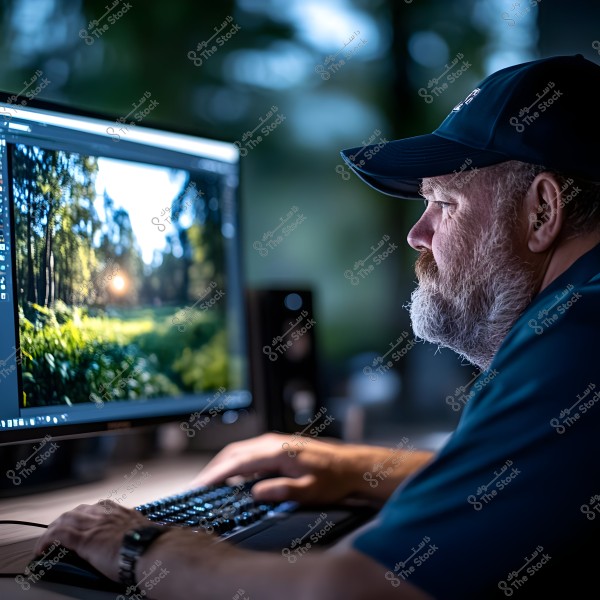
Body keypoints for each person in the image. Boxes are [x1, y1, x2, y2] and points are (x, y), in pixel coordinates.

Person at [35, 53, 600, 599]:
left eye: (444, 203)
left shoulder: (575, 334)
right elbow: (528, 481)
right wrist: (364, 468)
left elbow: (351, 591)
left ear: (543, 210)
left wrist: (139, 546)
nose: (416, 234)